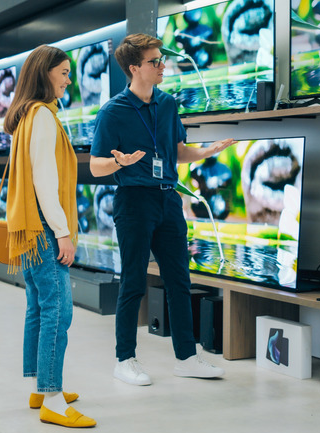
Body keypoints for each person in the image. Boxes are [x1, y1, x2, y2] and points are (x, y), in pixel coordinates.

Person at [90, 33, 234, 386]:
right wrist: (118, 163)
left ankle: (186, 357)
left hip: (168, 199)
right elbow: (95, 166)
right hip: (134, 201)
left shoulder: (168, 104)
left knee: (179, 281)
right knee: (134, 282)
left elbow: (177, 151)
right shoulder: (113, 112)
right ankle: (125, 359)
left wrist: (205, 152)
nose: (162, 65)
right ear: (134, 67)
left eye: (161, 59)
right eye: (155, 61)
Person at [3, 44, 96, 428]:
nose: (69, 79)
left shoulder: (27, 114)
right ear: (45, 74)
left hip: (28, 226)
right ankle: (53, 400)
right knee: (59, 309)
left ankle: (42, 386)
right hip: (43, 226)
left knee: (39, 307)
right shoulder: (41, 115)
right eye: (63, 72)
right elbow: (45, 181)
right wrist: (63, 233)